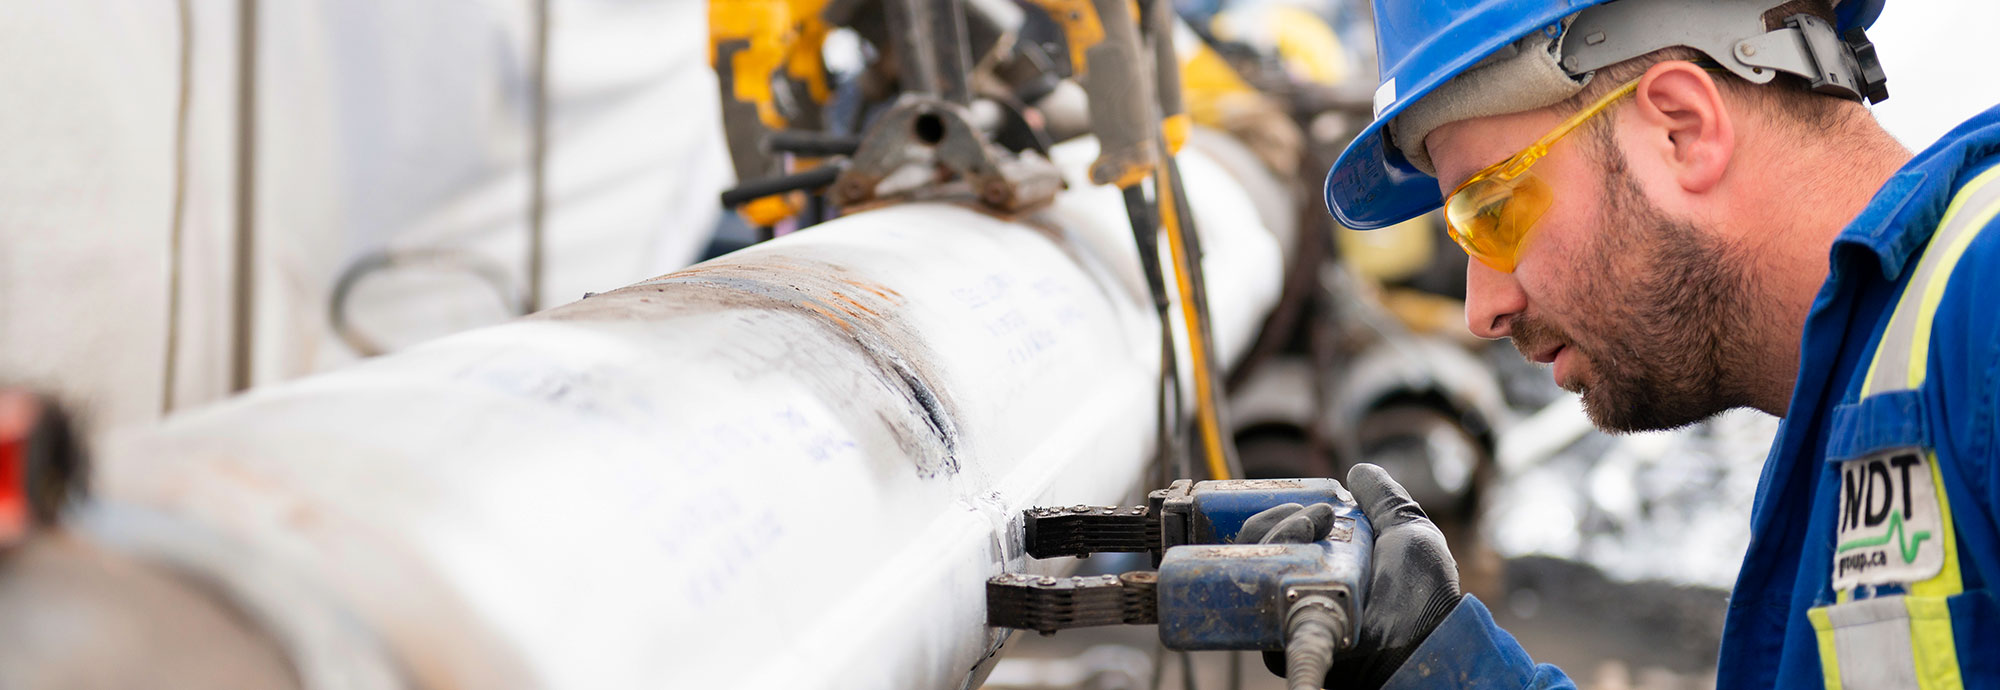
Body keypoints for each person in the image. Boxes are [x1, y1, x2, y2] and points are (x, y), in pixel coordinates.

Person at [1253, 0, 2000, 687]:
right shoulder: (1846, 425)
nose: (1483, 308)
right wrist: (1435, 661)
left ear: (1682, 128)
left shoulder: (1984, 306)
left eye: (1492, 211)